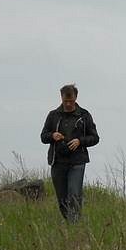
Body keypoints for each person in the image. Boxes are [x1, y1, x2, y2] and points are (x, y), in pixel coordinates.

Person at [40, 84, 100, 222]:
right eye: (65, 101)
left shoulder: (84, 115)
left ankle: (74, 225)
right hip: (58, 162)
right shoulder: (53, 115)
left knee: (74, 194)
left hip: (77, 162)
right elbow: (43, 136)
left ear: (76, 98)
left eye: (71, 101)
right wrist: (52, 135)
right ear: (61, 98)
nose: (68, 104)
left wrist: (80, 141)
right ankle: (69, 223)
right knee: (62, 199)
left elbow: (95, 138)